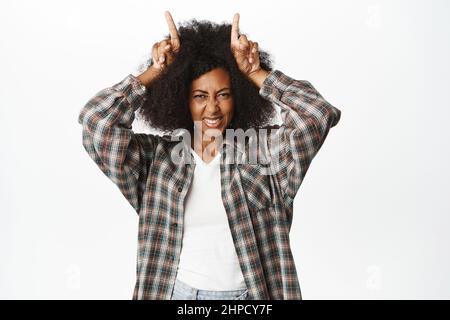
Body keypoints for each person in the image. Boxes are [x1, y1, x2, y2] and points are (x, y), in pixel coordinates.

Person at [77, 11, 341, 300]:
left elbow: (317, 114)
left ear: (237, 97)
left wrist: (255, 74)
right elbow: (96, 121)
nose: (213, 109)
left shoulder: (263, 152)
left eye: (223, 94)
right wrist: (154, 73)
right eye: (200, 96)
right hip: (176, 295)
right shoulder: (157, 159)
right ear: (182, 100)